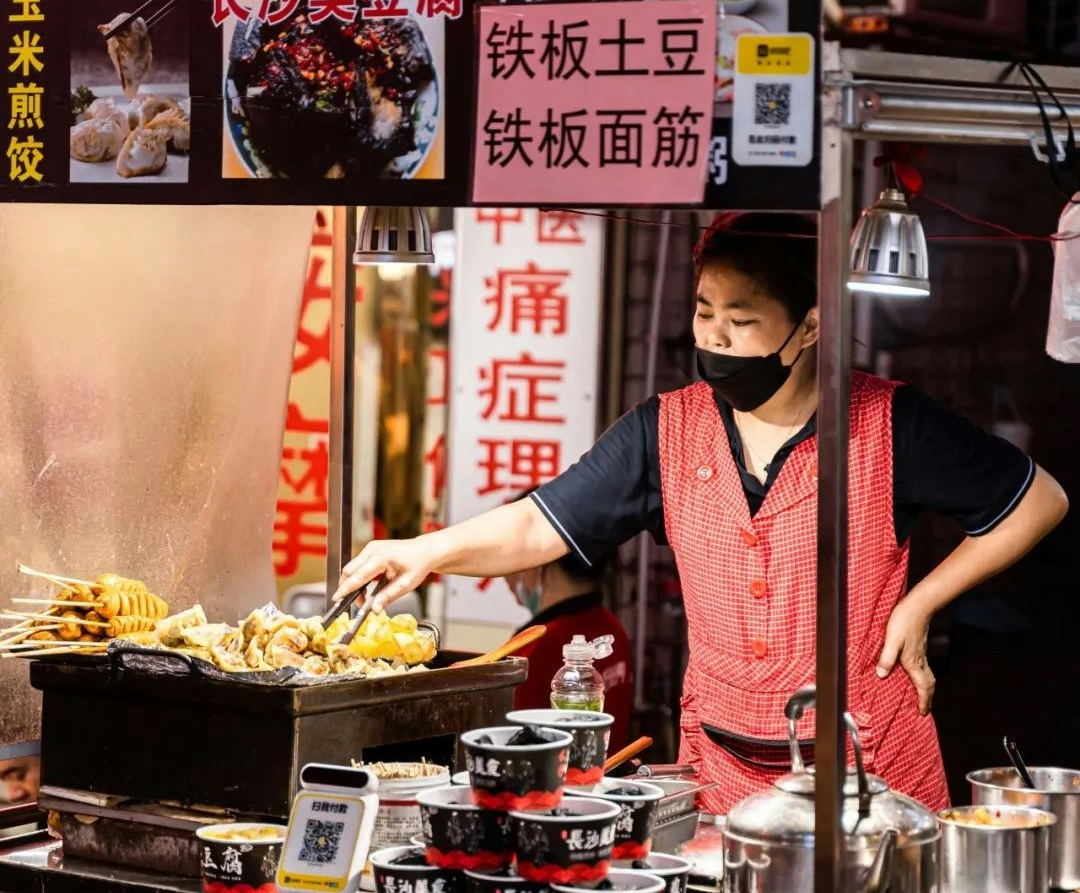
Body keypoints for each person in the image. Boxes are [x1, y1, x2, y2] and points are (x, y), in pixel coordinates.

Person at [336, 214, 1068, 812]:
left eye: (741, 320)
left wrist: (921, 602)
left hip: (867, 770)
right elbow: (539, 523)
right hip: (721, 772)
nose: (714, 338)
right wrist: (425, 549)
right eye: (703, 312)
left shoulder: (888, 423)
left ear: (808, 329)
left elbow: (1039, 500)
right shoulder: (664, 430)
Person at [504, 526, 633, 747]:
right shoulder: (614, 632)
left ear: (540, 559)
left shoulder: (532, 649)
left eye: (514, 559)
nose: (506, 576)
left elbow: (515, 747)